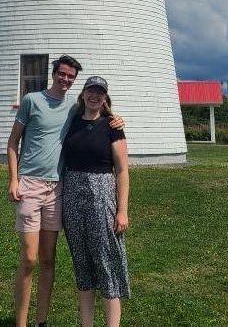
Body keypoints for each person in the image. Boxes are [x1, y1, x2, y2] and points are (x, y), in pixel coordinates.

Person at [7, 56, 124, 327]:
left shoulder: (73, 107)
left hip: (57, 187)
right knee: (29, 259)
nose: (66, 79)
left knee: (48, 260)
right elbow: (13, 142)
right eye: (62, 74)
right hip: (30, 184)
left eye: (71, 76)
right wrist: (14, 179)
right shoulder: (31, 100)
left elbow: (96, 113)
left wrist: (116, 118)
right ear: (53, 73)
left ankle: (41, 322)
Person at [62, 76, 130, 327]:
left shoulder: (112, 126)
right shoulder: (71, 121)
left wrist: (122, 211)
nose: (94, 96)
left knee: (106, 262)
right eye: (90, 91)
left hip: (101, 196)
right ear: (83, 94)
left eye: (99, 92)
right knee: (82, 265)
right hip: (72, 196)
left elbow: (122, 171)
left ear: (105, 97)